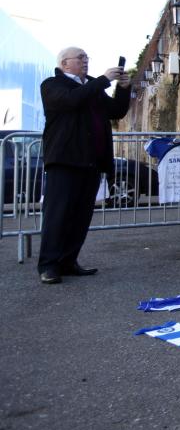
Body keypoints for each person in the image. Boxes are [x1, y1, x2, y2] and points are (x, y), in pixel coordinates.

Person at [37, 47, 130, 284]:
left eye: (87, 58)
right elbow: (71, 101)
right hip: (65, 160)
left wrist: (123, 87)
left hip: (91, 162)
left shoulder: (92, 86)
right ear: (64, 64)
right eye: (80, 58)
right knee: (57, 214)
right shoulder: (52, 85)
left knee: (80, 216)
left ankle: (69, 261)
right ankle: (48, 265)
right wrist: (102, 80)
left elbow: (116, 111)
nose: (85, 61)